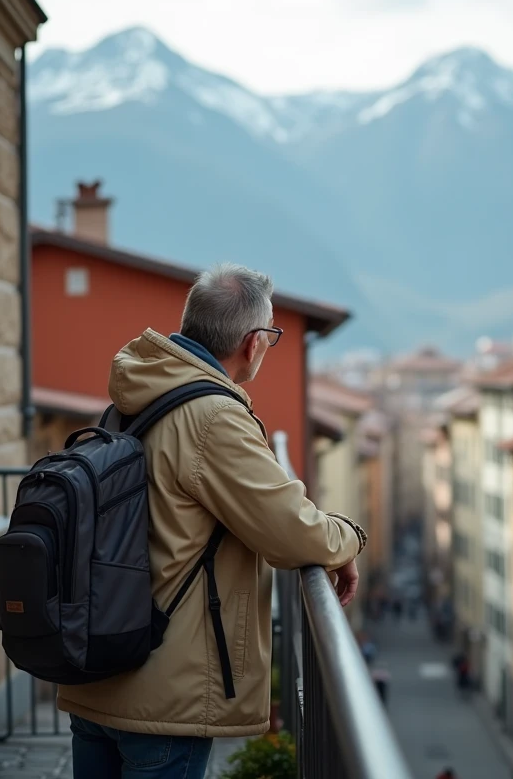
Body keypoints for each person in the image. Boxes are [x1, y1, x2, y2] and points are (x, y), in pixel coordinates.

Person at [58, 264, 368, 779]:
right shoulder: (213, 418)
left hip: (100, 673)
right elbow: (290, 531)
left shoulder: (137, 392)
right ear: (252, 343)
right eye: (271, 335)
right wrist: (349, 539)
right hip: (162, 696)